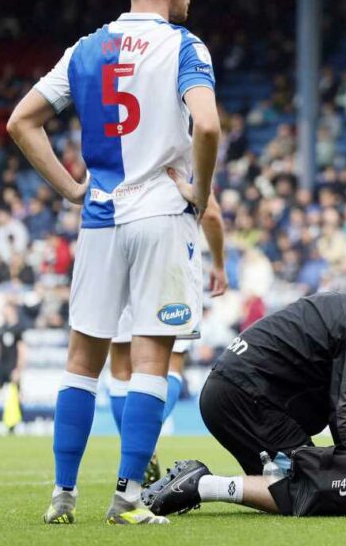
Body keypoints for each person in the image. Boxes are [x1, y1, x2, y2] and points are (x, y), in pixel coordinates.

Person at [7, 0, 220, 525]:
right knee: (153, 359)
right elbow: (206, 123)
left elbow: (21, 121)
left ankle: (62, 495)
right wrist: (200, 192)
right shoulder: (184, 45)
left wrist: (70, 188)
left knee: (84, 360)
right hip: (158, 215)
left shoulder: (85, 49)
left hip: (99, 215)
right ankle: (128, 498)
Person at [142, 257, 346, 516]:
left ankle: (205, 483)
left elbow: (342, 409)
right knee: (318, 490)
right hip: (245, 396)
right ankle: (201, 484)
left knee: (311, 484)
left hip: (241, 390)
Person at [106, 193, 228, 484]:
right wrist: (219, 264)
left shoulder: (121, 155)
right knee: (168, 364)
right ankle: (143, 446)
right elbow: (210, 214)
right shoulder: (182, 157)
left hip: (118, 247)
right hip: (170, 254)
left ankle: (135, 452)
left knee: (121, 369)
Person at [0, 299, 28, 433]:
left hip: (12, 368)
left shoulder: (19, 329)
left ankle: (15, 426)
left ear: (11, 310)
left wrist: (19, 369)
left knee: (16, 397)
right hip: (1, 367)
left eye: (6, 308)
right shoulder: (1, 328)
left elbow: (22, 350)